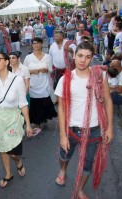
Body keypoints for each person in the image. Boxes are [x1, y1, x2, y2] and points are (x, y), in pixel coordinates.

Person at [54, 41, 114, 199]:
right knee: (63, 156)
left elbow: (107, 100)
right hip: (72, 129)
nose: (83, 60)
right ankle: (63, 170)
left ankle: (80, 188)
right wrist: (62, 135)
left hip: (94, 130)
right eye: (80, 56)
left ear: (92, 58)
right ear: (74, 56)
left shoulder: (100, 76)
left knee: (87, 165)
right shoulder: (65, 80)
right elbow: (61, 108)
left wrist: (109, 128)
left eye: (87, 57)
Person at [0, 53, 32, 188]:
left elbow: (23, 103)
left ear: (7, 62)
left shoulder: (17, 80)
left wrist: (28, 124)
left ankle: (18, 161)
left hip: (13, 119)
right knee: (2, 149)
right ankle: (8, 174)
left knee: (14, 152)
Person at [24, 37, 57, 134]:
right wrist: (31, 71)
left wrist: (46, 70)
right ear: (32, 45)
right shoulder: (28, 58)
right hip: (33, 85)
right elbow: (24, 71)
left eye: (38, 43)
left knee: (44, 101)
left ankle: (44, 117)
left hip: (44, 83)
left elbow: (51, 69)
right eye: (34, 43)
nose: (36, 45)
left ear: (41, 44)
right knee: (35, 102)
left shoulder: (47, 57)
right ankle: (37, 121)